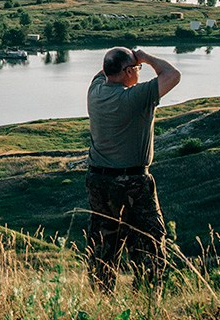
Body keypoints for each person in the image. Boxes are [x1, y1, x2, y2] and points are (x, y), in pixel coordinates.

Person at [86, 47, 181, 292]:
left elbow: (106, 70)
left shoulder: (95, 91)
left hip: (98, 180)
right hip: (133, 182)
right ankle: (147, 297)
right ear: (128, 71)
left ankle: (100, 298)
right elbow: (172, 75)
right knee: (150, 243)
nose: (139, 71)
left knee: (103, 243)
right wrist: (146, 57)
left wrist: (126, 60)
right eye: (136, 68)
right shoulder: (135, 97)